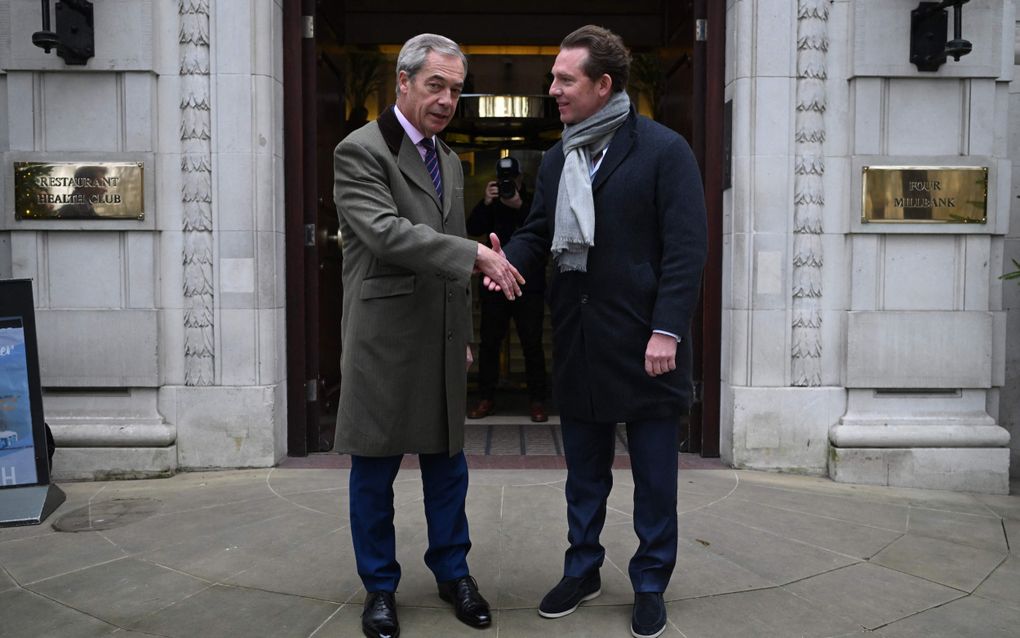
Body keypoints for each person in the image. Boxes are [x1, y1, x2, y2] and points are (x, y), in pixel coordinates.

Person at [498, 25, 707, 638]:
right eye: (554, 79)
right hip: (581, 339)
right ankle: (583, 568)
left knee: (653, 479)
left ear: (603, 84)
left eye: (565, 80)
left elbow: (686, 250)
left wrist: (667, 330)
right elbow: (540, 229)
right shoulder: (562, 155)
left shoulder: (665, 150)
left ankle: (649, 582)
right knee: (583, 474)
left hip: (649, 344)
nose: (553, 90)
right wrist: (506, 257)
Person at [332, 33, 524, 638]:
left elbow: (448, 255)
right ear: (404, 84)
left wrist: (462, 329)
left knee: (448, 467)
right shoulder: (359, 151)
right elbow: (387, 234)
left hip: (440, 336)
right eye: (435, 85)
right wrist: (474, 255)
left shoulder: (446, 158)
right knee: (375, 472)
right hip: (383, 338)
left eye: (456, 88)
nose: (446, 99)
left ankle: (453, 572)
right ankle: (379, 588)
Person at [466, 157, 549, 422]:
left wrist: (519, 206)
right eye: (503, 180)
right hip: (494, 284)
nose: (507, 185)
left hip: (528, 283)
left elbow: (543, 231)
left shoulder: (533, 200)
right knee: (489, 343)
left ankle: (538, 401)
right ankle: (485, 398)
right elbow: (472, 228)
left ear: (520, 179)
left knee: (532, 344)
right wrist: (485, 202)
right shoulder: (492, 201)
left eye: (511, 180)